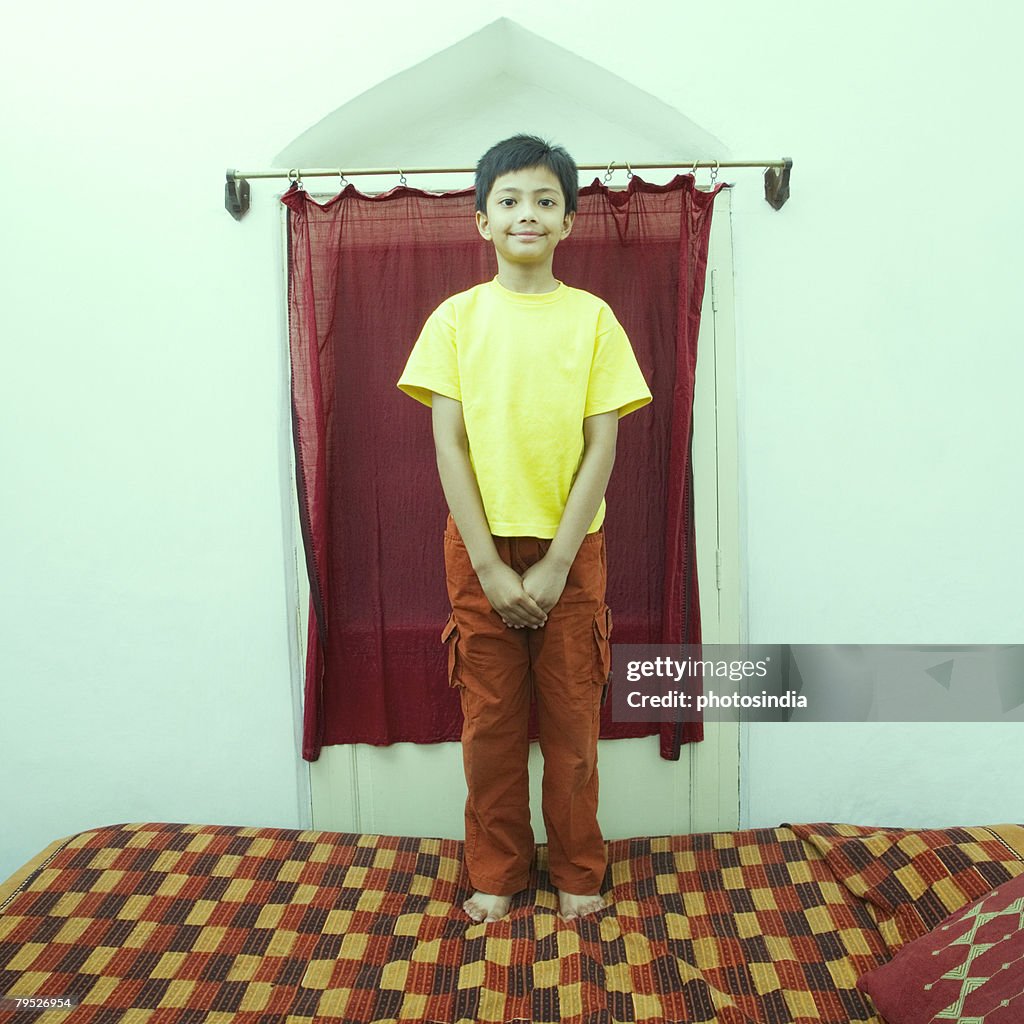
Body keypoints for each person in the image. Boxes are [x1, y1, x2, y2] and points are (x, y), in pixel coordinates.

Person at [397, 134, 651, 923]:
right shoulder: (455, 318)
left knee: (574, 726)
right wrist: (491, 567)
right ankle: (496, 873)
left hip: (574, 552)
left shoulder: (595, 319)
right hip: (479, 550)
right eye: (508, 200)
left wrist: (554, 565)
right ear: (481, 220)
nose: (527, 213)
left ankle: (579, 872)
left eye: (545, 200)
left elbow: (604, 442)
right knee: (492, 728)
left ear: (569, 221)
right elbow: (449, 442)